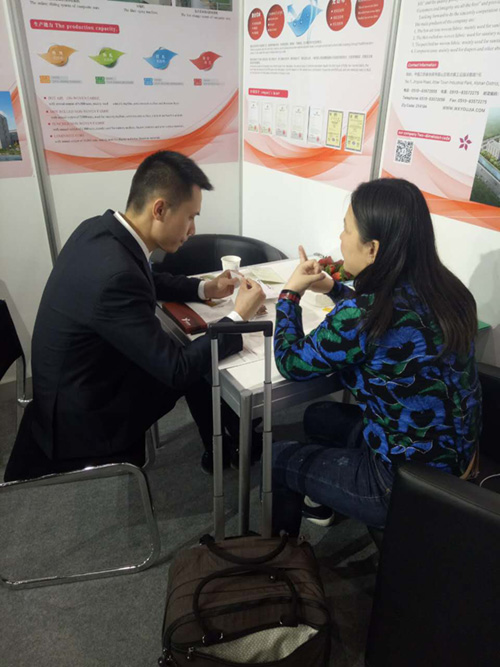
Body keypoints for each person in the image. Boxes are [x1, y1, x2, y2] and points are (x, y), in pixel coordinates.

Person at [7, 150, 265, 481]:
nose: (192, 229)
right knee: (194, 365)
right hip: (85, 420)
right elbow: (176, 370)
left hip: (74, 387)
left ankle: (226, 444)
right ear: (159, 209)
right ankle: (236, 442)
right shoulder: (116, 277)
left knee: (198, 351)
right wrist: (239, 317)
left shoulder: (100, 230)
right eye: (190, 217)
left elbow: (147, 278)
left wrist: (205, 288)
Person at [271, 178, 481, 535]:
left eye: (346, 229)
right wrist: (335, 289)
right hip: (457, 464)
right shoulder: (452, 293)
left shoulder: (361, 314)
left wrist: (290, 294)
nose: (340, 238)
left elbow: (289, 362)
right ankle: (322, 503)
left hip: (402, 482)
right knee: (319, 416)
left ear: (372, 249)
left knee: (276, 458)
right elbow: (384, 318)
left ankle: (283, 557)